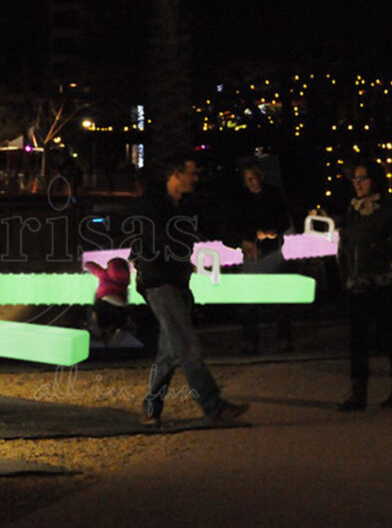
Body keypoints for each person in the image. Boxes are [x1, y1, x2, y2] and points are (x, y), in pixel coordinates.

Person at [131, 153, 251, 425]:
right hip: (159, 281)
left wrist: (238, 241)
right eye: (191, 173)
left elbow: (209, 226)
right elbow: (159, 239)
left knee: (171, 349)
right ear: (176, 174)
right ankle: (213, 405)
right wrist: (181, 256)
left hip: (173, 279)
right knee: (187, 345)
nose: (195, 178)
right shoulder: (152, 205)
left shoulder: (182, 206)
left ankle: (151, 407)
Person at [337, 162, 392, 411]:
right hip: (358, 282)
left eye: (363, 178)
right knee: (358, 338)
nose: (357, 183)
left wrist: (381, 248)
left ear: (375, 180)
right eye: (355, 179)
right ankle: (358, 390)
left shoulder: (388, 207)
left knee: (389, 334)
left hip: (382, 282)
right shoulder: (354, 208)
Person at [223, 162, 294, 354]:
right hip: (252, 255)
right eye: (249, 179)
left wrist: (272, 231)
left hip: (272, 251)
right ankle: (250, 340)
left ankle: (283, 338)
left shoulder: (272, 195)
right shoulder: (240, 200)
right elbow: (231, 229)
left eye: (254, 177)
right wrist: (248, 238)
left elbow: (283, 220)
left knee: (279, 299)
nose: (253, 182)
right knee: (249, 301)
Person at [84, 257, 131, 343]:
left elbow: (94, 268)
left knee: (94, 313)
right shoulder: (126, 279)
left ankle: (96, 330)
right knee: (118, 324)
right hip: (121, 305)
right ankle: (116, 333)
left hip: (105, 302)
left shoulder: (104, 274)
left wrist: (88, 264)